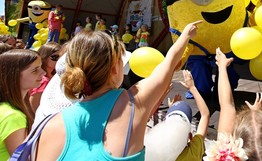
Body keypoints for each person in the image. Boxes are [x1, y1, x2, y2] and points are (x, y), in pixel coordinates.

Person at [34, 20, 202, 161]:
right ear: (115, 69)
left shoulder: (49, 125)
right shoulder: (133, 103)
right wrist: (185, 35)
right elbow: (169, 61)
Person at [145, 70, 210, 161]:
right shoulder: (193, 152)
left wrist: (161, 98)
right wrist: (192, 88)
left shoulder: (151, 152)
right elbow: (205, 115)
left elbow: (144, 119)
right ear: (190, 136)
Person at [0, 49, 46, 161]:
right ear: (14, 75)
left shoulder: (6, 108)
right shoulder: (13, 116)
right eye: (35, 70)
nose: (43, 72)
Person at [29, 42, 62, 113]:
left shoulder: (57, 78)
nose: (59, 60)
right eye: (55, 57)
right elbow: (33, 108)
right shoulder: (41, 80)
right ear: (44, 58)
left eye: (61, 57)